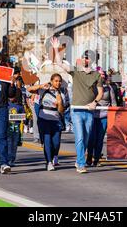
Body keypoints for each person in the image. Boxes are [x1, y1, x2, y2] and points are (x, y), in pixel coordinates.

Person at [51, 38, 103, 174]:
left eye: (88, 58)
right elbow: (59, 63)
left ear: (92, 60)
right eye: (84, 58)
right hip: (77, 110)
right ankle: (81, 163)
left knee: (86, 138)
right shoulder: (76, 71)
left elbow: (100, 93)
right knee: (79, 137)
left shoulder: (97, 75)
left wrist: (95, 102)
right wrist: (56, 49)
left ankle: (80, 159)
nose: (85, 60)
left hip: (89, 111)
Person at [28, 74, 68, 171]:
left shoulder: (62, 94)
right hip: (44, 118)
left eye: (59, 81)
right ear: (51, 81)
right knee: (47, 141)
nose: (58, 83)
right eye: (56, 81)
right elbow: (29, 89)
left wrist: (60, 103)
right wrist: (40, 86)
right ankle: (49, 162)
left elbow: (61, 111)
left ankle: (54, 156)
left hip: (55, 120)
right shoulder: (44, 90)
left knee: (56, 143)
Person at [87, 70, 117, 167]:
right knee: (91, 138)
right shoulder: (92, 87)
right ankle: (89, 156)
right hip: (92, 115)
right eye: (100, 75)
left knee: (99, 139)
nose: (102, 76)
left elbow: (113, 102)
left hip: (104, 116)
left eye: (103, 75)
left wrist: (114, 115)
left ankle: (96, 159)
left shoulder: (109, 88)